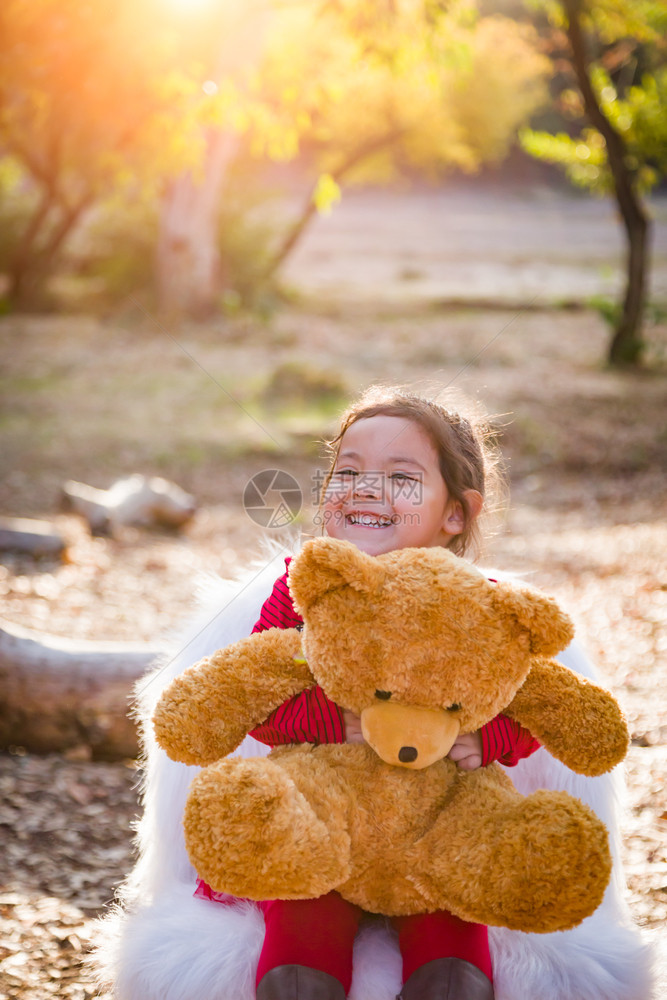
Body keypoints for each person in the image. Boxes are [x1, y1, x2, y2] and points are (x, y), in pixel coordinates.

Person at [196, 385, 540, 1000]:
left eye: (402, 478)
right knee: (300, 926)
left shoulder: (480, 604)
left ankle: (450, 979)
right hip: (325, 814)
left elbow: (535, 704)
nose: (366, 489)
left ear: (455, 514)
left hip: (437, 820)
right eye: (347, 471)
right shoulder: (305, 589)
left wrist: (485, 738)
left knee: (454, 933)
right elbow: (255, 696)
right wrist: (337, 724)